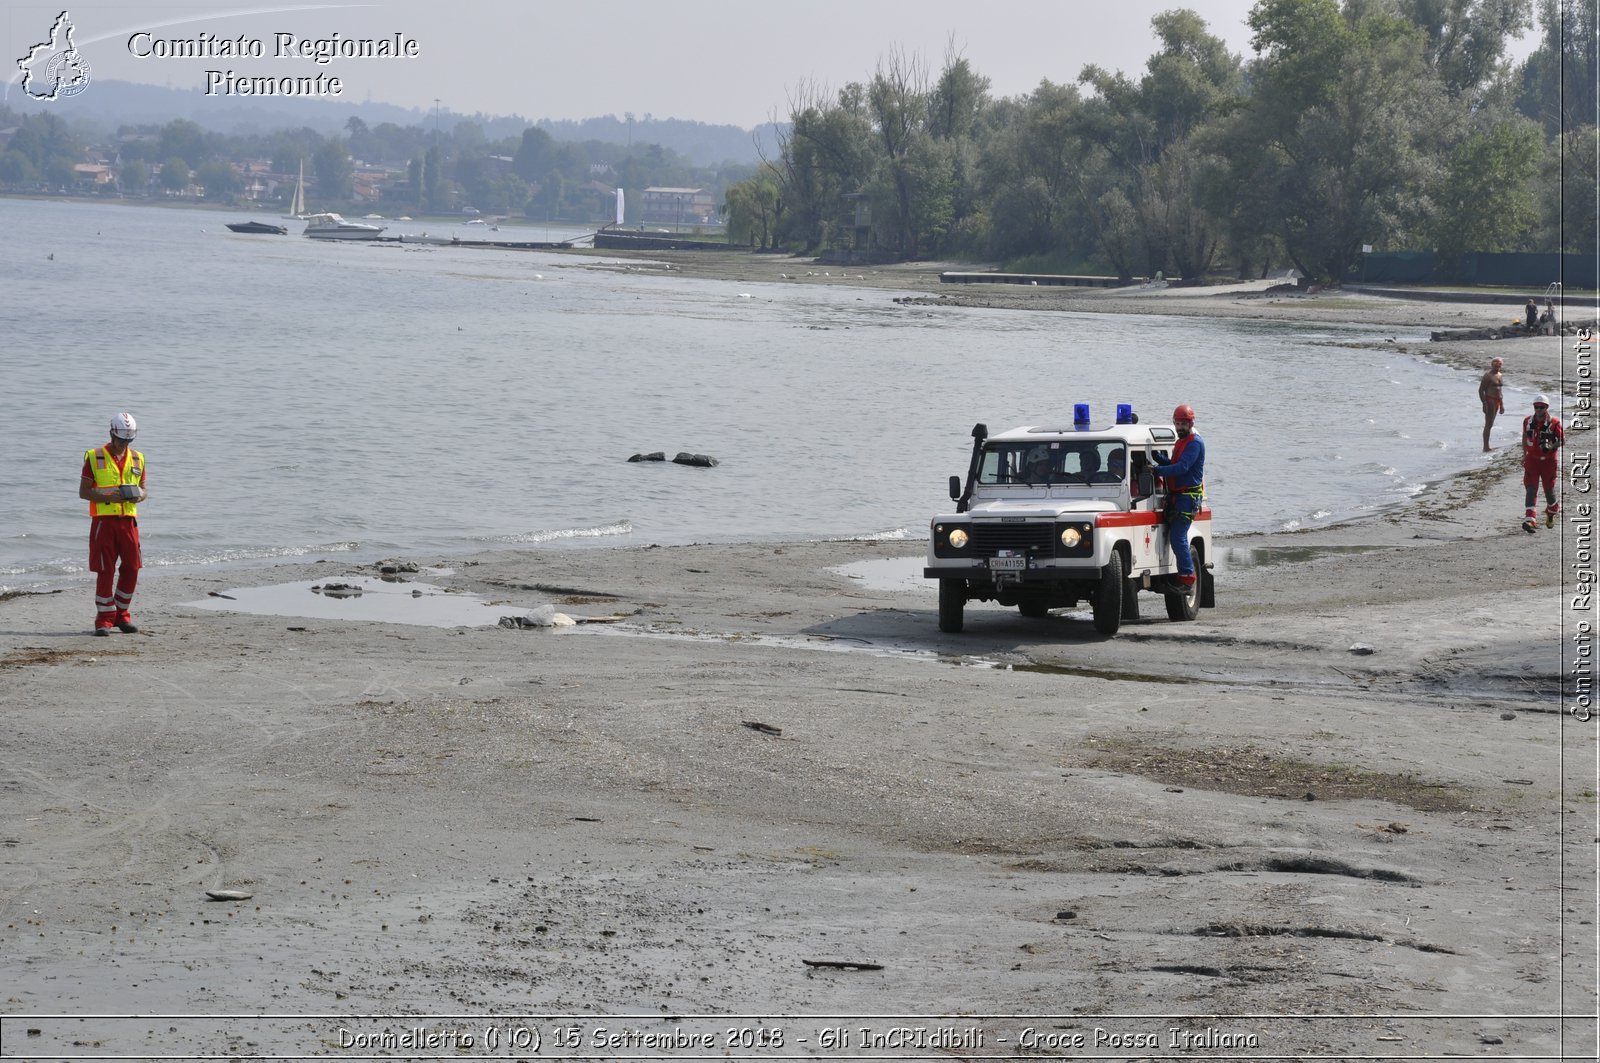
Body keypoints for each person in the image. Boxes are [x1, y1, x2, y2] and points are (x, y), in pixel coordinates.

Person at [79, 412, 148, 635]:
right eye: (121, 440)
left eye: (128, 441)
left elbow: (145, 489)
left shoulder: (138, 458)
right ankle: (104, 620)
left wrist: (138, 496)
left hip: (128, 522)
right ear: (112, 434)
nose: (123, 445)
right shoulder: (94, 456)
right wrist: (109, 495)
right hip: (103, 523)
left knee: (132, 567)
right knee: (105, 569)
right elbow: (83, 492)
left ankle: (121, 615)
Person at [1151, 404, 1205, 588]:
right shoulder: (1181, 442)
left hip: (1186, 498)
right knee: (1176, 537)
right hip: (1177, 497)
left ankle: (1187, 578)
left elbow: (1182, 468)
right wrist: (1158, 458)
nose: (1180, 427)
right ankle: (1182, 574)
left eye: (1183, 423)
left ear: (1190, 423)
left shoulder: (1194, 443)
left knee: (1178, 537)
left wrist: (1157, 469)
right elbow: (1175, 464)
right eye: (1177, 423)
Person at [1521, 395, 1564, 529]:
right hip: (1532, 460)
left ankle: (1551, 511)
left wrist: (1550, 446)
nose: (1538, 409)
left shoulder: (1555, 423)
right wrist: (1524, 454)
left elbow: (1562, 440)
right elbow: (1524, 436)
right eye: (1536, 407)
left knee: (1549, 491)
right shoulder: (1527, 421)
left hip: (1549, 462)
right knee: (1531, 488)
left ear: (1546, 408)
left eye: (1542, 407)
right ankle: (1530, 519)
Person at [1478, 357, 1505, 452]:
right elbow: (1481, 390)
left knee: (1491, 423)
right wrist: (1484, 403)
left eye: (1500, 364)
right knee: (1488, 424)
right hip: (1490, 400)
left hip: (1498, 400)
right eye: (1496, 363)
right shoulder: (1488, 376)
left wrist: (1502, 404)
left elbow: (1500, 391)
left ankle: (1487, 446)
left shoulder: (1500, 375)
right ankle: (1486, 447)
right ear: (1492, 364)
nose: (1498, 365)